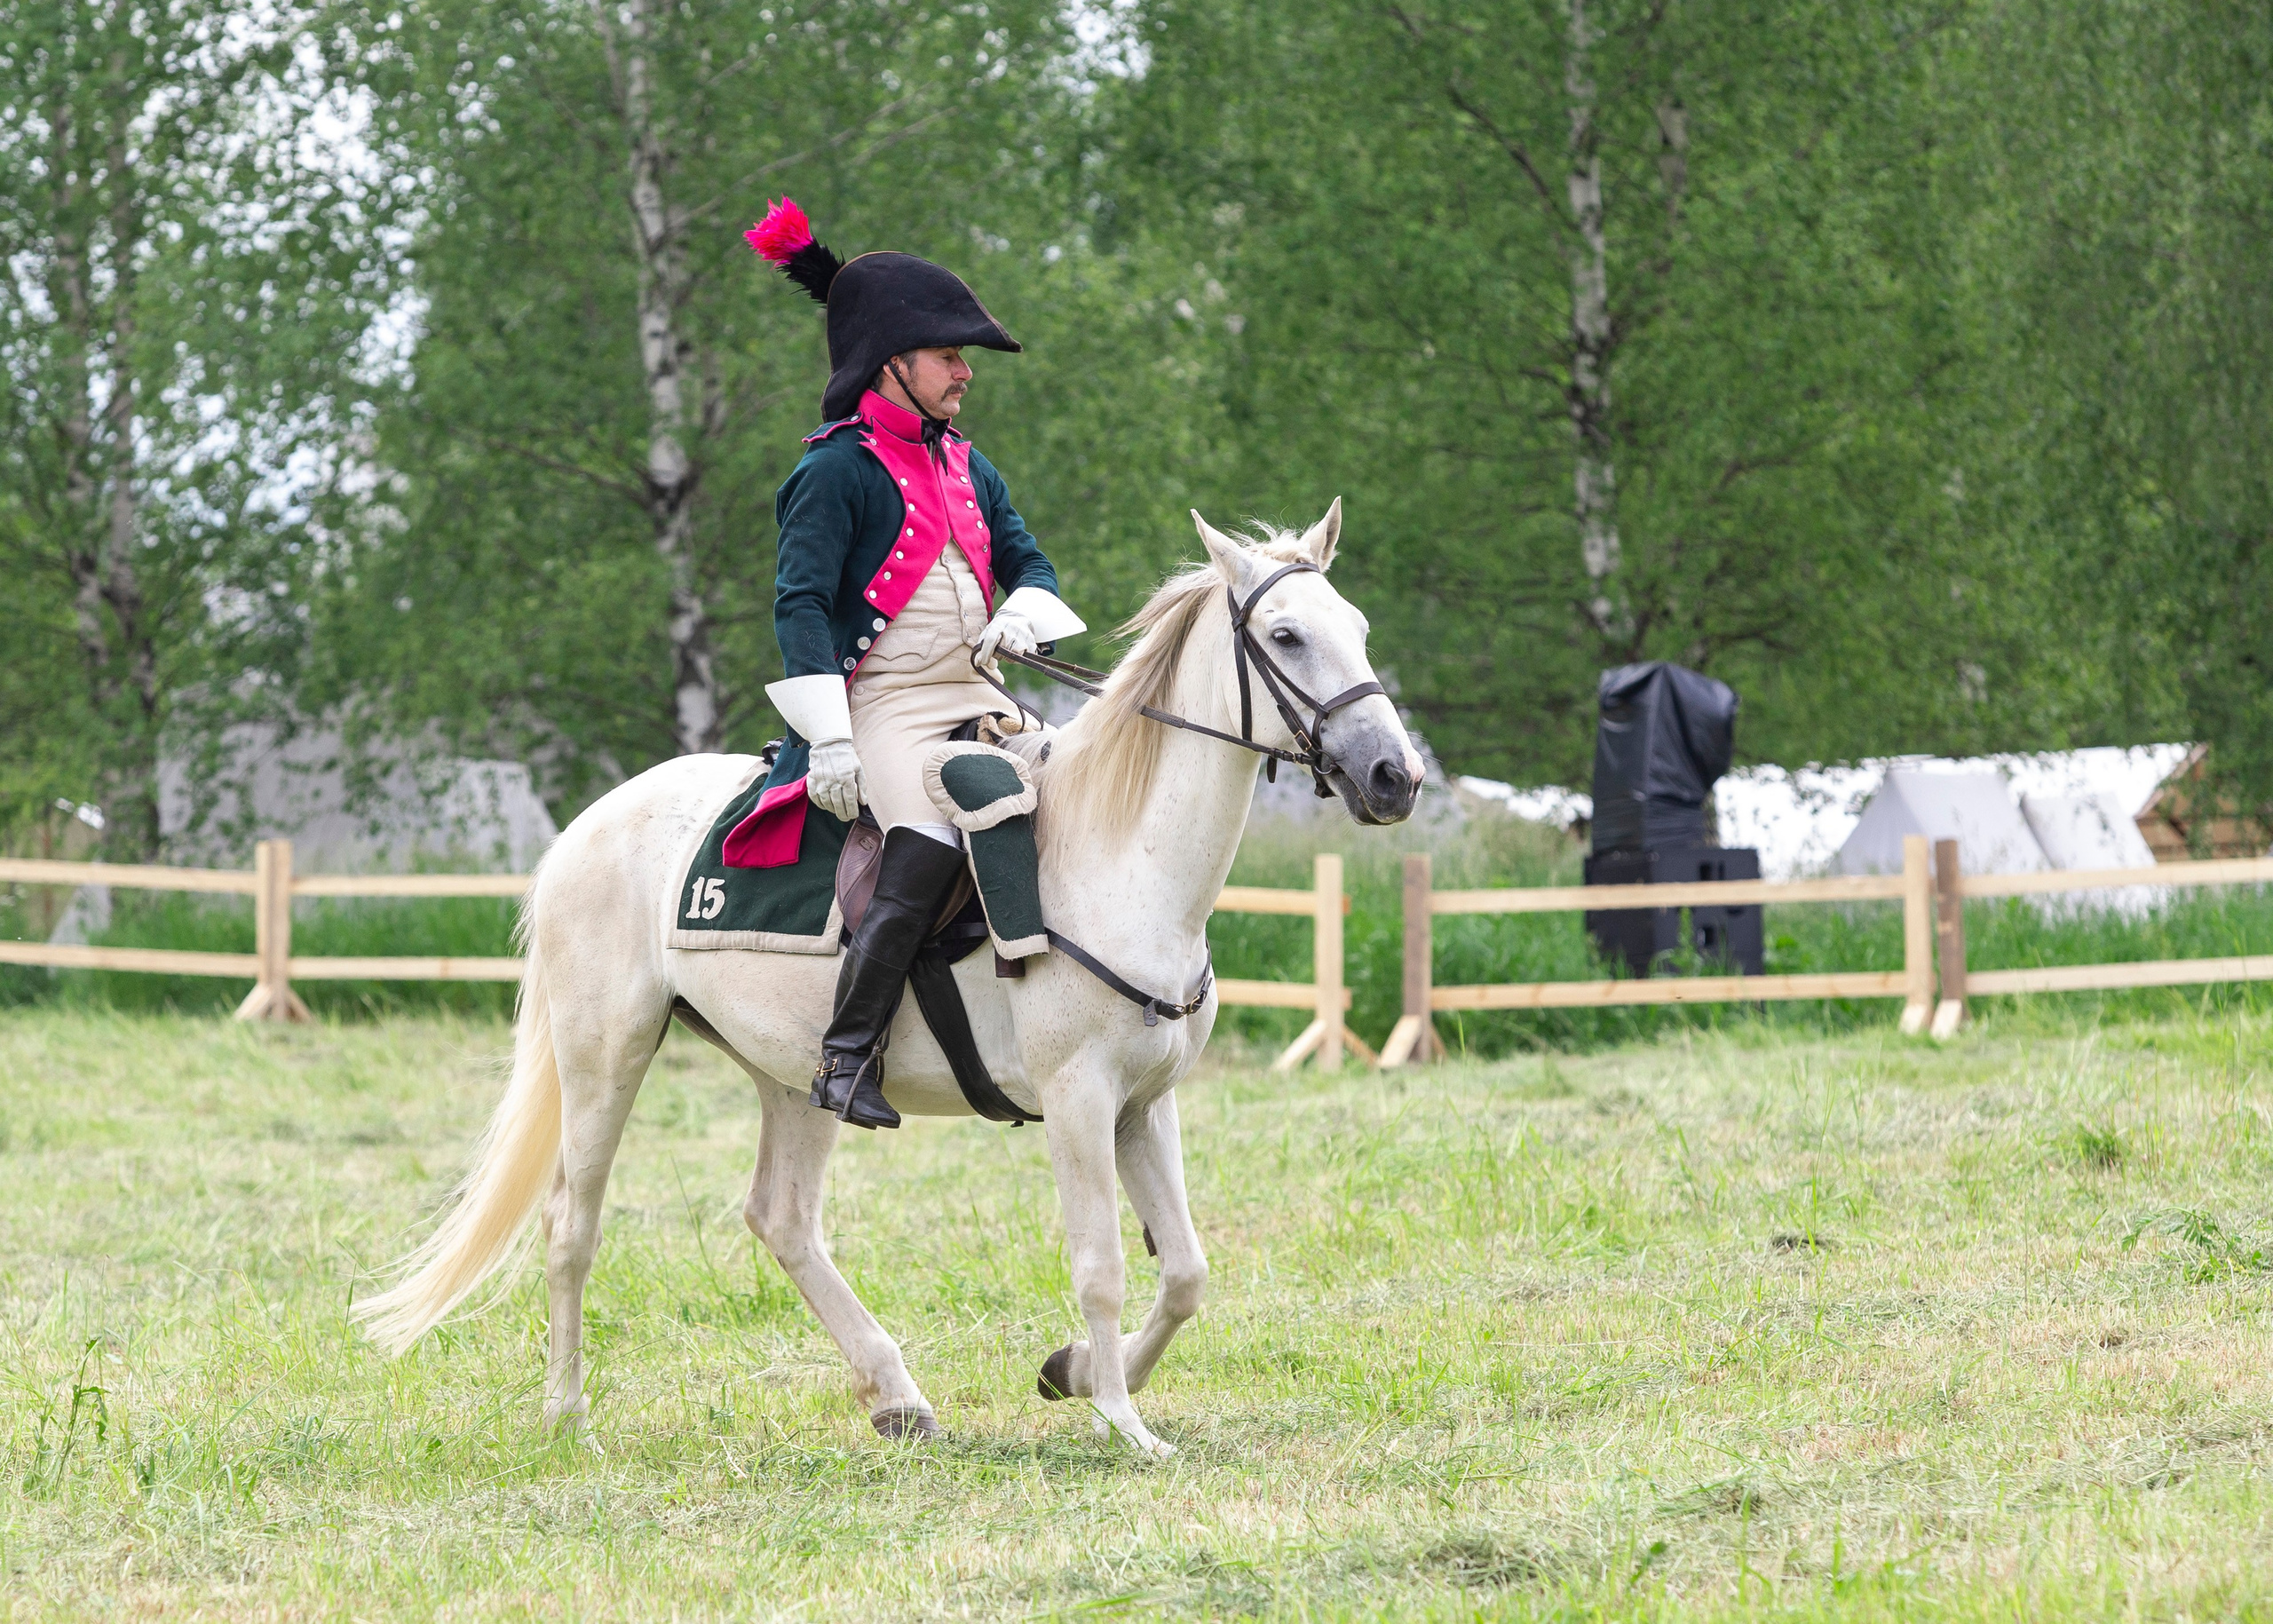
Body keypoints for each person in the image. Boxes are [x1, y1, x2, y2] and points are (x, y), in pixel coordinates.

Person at [743, 197, 1083, 1131]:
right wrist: (830, 738)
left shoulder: (971, 465)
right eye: (947, 356)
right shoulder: (832, 470)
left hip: (979, 694)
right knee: (930, 840)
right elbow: (800, 604)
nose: (965, 373)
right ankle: (847, 1055)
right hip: (883, 705)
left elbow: (1032, 561)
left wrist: (1021, 613)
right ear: (891, 361)